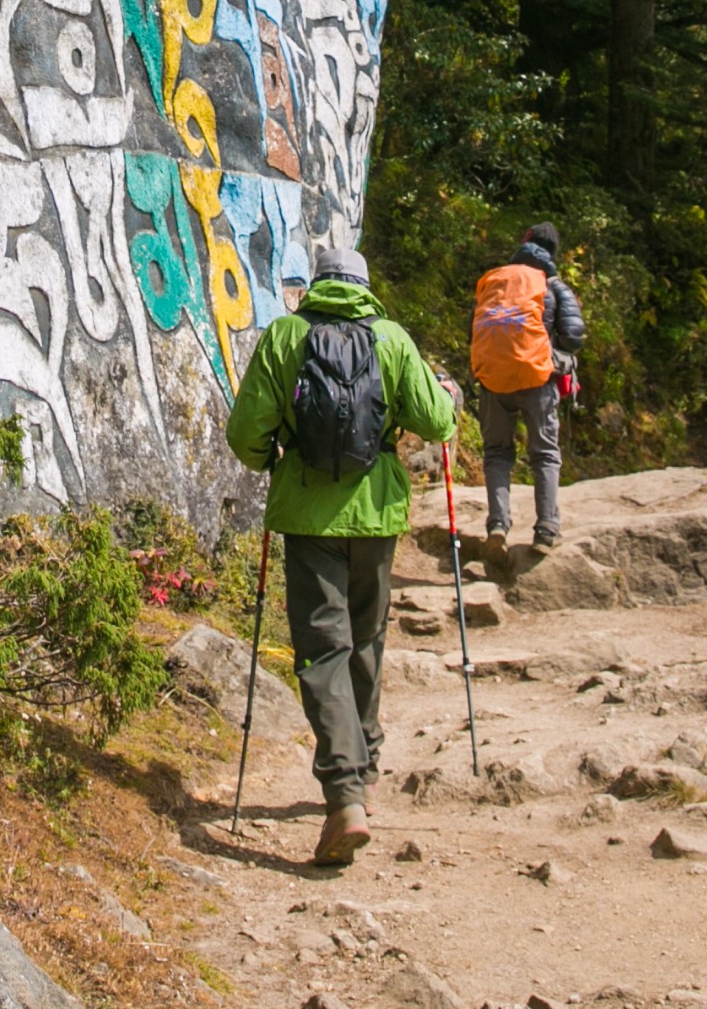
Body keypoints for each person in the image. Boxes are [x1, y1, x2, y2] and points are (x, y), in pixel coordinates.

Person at [225, 246, 457, 866]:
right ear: (364, 286)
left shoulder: (284, 336)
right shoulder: (392, 339)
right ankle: (368, 770)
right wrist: (448, 399)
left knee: (322, 647)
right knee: (366, 638)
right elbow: (435, 422)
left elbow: (245, 434)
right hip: (377, 514)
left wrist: (275, 460)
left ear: (318, 288)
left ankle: (344, 794)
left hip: (307, 515)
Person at [470, 221, 585, 557]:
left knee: (496, 453)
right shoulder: (552, 286)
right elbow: (574, 338)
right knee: (545, 454)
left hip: (493, 379)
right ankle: (546, 529)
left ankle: (497, 525)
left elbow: (473, 331)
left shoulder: (494, 280)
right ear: (552, 253)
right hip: (537, 378)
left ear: (524, 243)